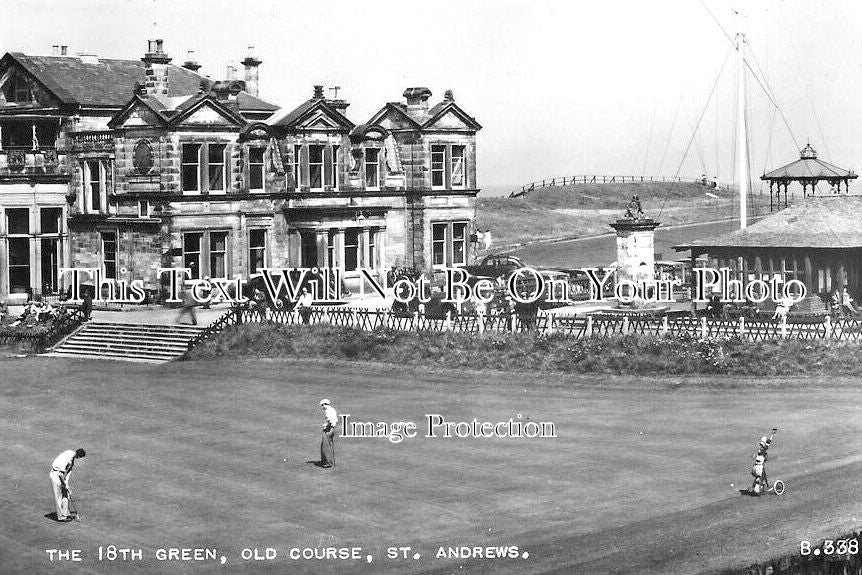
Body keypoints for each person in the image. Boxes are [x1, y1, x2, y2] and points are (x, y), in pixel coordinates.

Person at [49, 448, 86, 521]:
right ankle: (62, 517)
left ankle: (66, 513)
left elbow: (68, 472)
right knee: (59, 497)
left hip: (61, 475)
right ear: (78, 456)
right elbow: (60, 473)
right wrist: (65, 484)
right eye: (80, 457)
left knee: (66, 495)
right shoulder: (68, 456)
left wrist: (67, 484)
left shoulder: (72, 459)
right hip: (55, 475)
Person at [749, 429, 777, 496]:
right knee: (760, 477)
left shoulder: (760, 450)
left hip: (756, 466)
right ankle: (758, 489)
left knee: (760, 477)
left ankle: (758, 488)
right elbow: (768, 442)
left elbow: (768, 442)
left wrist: (772, 434)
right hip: (758, 467)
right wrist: (772, 434)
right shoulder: (763, 450)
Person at [319, 399, 338, 468]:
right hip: (330, 429)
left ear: (326, 404)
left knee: (326, 446)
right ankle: (325, 461)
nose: (323, 406)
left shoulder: (328, 411)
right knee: (324, 445)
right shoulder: (332, 410)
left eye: (324, 405)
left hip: (328, 429)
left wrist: (329, 430)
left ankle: (328, 463)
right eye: (322, 405)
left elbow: (330, 422)